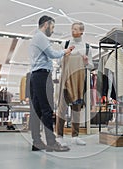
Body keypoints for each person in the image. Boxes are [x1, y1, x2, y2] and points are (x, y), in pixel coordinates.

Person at [29, 15, 74, 152]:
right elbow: (52, 53)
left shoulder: (34, 37)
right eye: (52, 27)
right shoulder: (41, 37)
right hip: (42, 75)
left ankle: (37, 142)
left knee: (36, 110)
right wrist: (65, 51)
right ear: (46, 24)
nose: (53, 30)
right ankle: (51, 143)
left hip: (35, 76)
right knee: (47, 109)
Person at [56, 22, 93, 146]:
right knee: (62, 108)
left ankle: (75, 136)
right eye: (72, 28)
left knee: (76, 109)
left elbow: (91, 67)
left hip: (78, 80)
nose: (73, 31)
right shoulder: (65, 44)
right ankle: (59, 136)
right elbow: (59, 63)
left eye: (76, 29)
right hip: (66, 79)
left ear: (82, 31)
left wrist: (87, 62)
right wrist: (65, 54)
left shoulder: (87, 47)